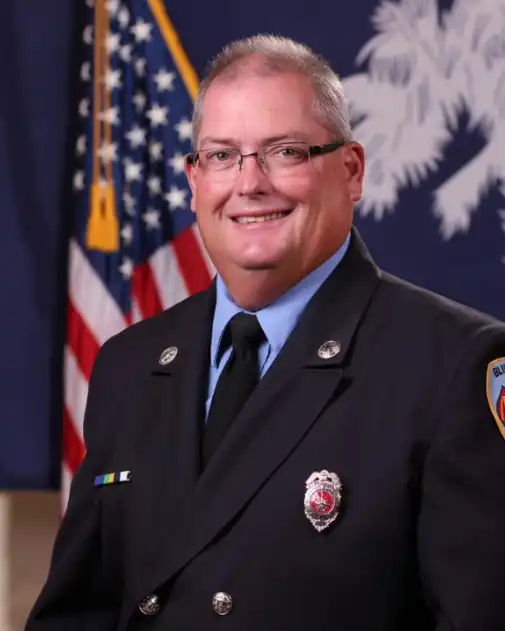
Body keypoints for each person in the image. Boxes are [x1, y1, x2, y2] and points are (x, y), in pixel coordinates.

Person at [25, 34, 505, 631]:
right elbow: (78, 615)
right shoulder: (131, 362)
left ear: (351, 170)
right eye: (222, 156)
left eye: (285, 152)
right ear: (194, 180)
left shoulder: (452, 366)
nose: (249, 185)